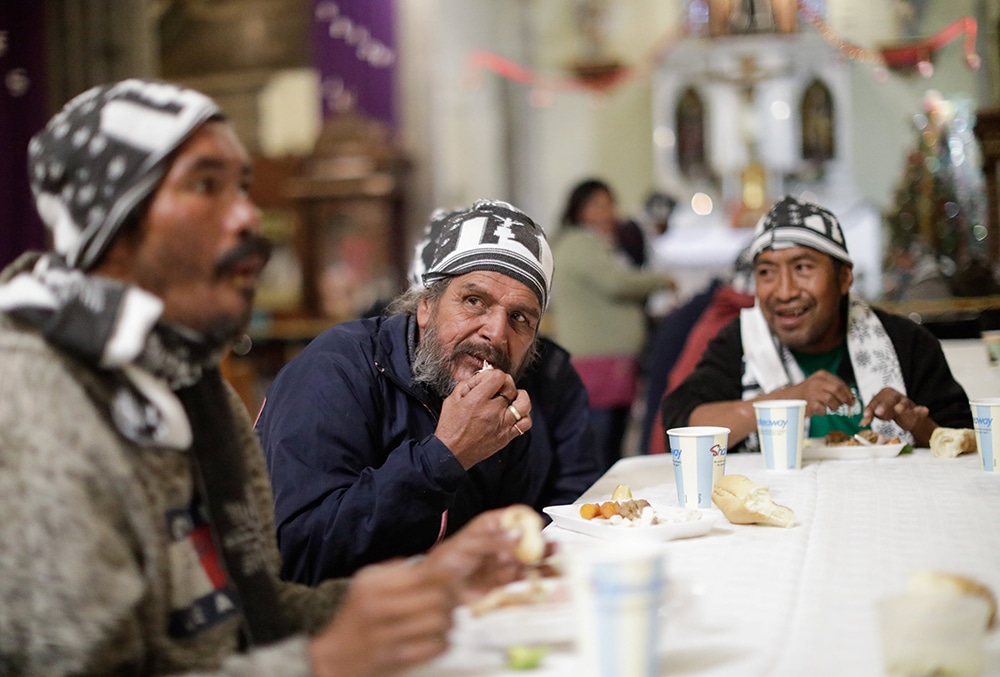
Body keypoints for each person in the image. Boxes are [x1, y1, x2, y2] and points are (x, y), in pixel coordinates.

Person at [0, 79, 528, 677]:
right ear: (113, 221)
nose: (251, 215)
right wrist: (321, 663)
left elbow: (255, 610)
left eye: (243, 187)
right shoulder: (35, 399)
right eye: (206, 185)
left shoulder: (192, 388)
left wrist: (431, 586)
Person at [257, 199, 557, 584]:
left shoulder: (503, 409)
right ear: (426, 307)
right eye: (474, 301)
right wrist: (445, 455)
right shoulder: (336, 369)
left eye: (519, 318)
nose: (496, 333)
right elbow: (300, 557)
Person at [661, 195, 972, 451]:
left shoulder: (905, 342)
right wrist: (788, 401)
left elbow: (965, 441)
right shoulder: (741, 341)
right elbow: (681, 426)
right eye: (767, 272)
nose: (784, 292)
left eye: (802, 267)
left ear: (844, 278)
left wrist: (917, 426)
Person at [548, 178, 675, 469]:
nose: (608, 213)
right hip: (597, 365)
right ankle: (601, 504)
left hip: (609, 364)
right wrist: (662, 280)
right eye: (598, 205)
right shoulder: (578, 242)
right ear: (579, 209)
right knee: (600, 449)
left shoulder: (597, 243)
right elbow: (616, 283)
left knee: (612, 445)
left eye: (610, 205)